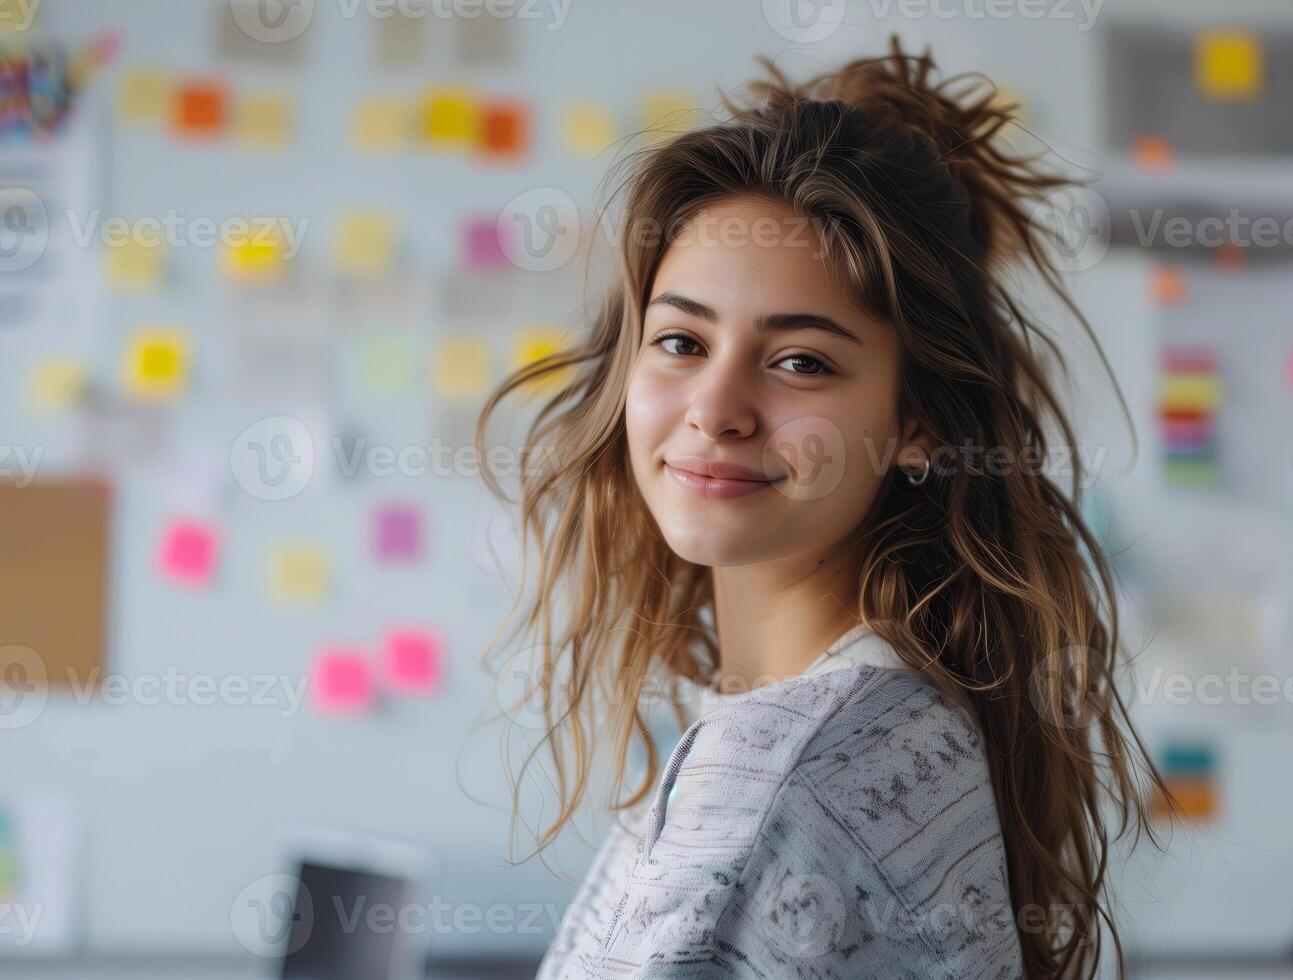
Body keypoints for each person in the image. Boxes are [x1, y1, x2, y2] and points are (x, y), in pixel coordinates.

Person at [476, 36, 1160, 980]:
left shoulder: (783, 779)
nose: (714, 409)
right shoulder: (868, 719)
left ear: (915, 421)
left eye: (800, 361)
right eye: (679, 340)